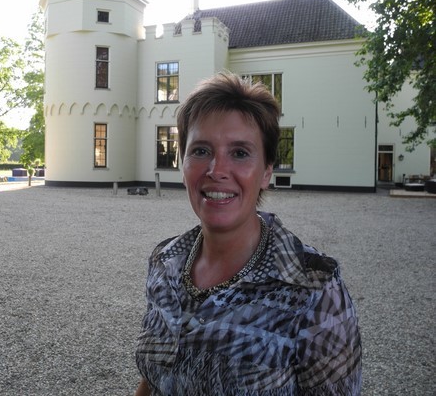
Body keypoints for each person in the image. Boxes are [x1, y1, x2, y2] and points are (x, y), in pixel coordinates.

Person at [134, 72, 362, 395]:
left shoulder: (314, 289)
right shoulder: (164, 264)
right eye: (201, 151)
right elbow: (154, 378)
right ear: (182, 165)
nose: (216, 170)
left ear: (266, 172)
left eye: (240, 153)